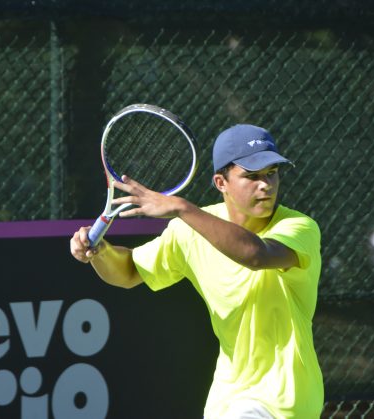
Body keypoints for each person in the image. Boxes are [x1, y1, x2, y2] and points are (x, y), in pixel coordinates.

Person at [70, 124, 324, 419]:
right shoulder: (189, 232)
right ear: (221, 182)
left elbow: (256, 254)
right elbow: (128, 271)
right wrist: (101, 252)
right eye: (252, 176)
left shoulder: (299, 227)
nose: (265, 185)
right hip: (228, 398)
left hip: (284, 397)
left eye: (271, 173)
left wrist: (181, 208)